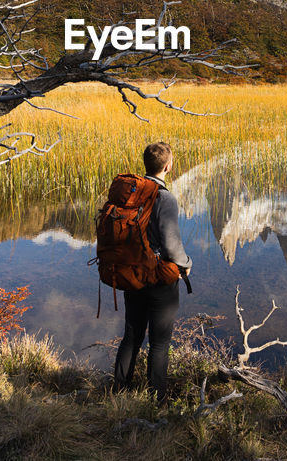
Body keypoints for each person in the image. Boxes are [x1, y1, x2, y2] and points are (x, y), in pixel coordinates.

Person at [112, 141, 192, 403]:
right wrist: (186, 264)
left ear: (146, 163)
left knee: (132, 336)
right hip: (158, 280)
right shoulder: (164, 197)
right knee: (159, 343)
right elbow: (171, 245)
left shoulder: (132, 192)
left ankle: (118, 393)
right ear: (168, 166)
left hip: (132, 275)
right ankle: (156, 401)